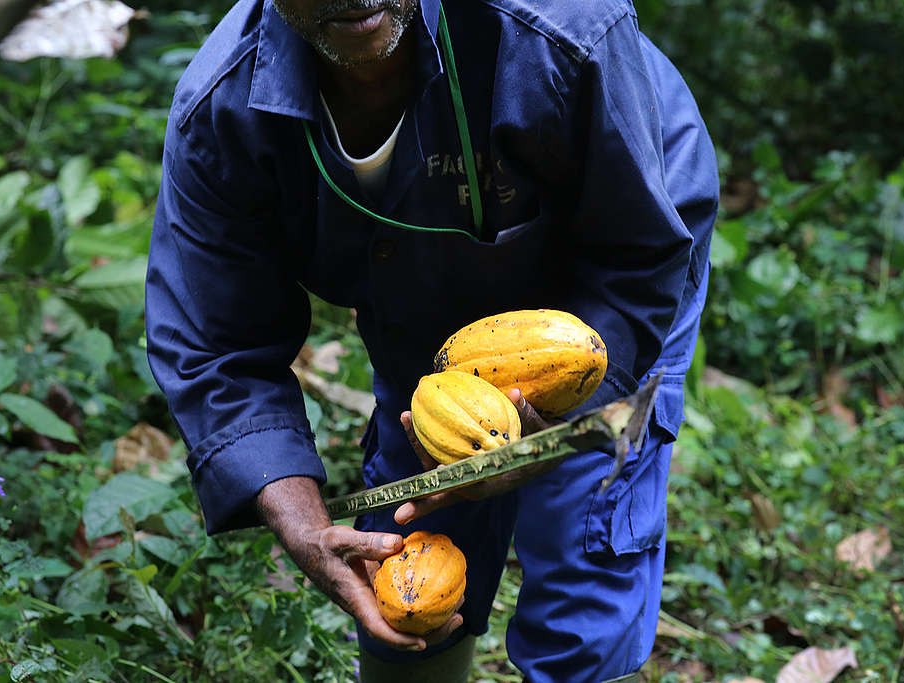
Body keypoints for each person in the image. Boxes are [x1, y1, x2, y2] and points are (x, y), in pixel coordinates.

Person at [144, 0, 718, 680]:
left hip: (614, 258)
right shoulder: (224, 109)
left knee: (581, 532)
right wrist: (302, 522)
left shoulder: (562, 27)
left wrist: (560, 429)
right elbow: (216, 345)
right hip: (423, 314)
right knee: (404, 570)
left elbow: (637, 255)